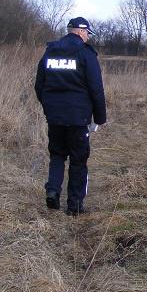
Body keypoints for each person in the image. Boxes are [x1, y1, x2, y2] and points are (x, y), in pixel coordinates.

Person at [34, 17, 106, 216]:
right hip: (78, 118)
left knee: (57, 154)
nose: (87, 38)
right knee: (78, 160)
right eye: (87, 34)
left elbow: (39, 85)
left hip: (55, 117)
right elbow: (96, 89)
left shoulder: (50, 51)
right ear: (81, 32)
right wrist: (99, 118)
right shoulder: (86, 54)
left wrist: (49, 106)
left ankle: (53, 191)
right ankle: (74, 206)